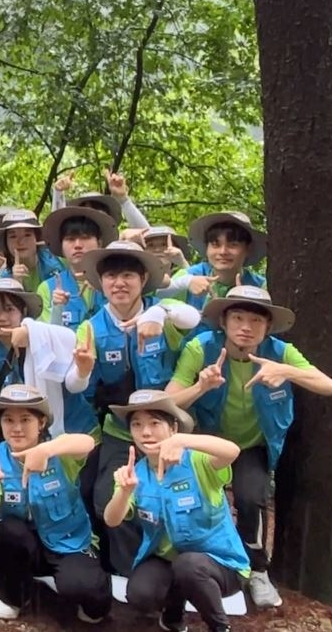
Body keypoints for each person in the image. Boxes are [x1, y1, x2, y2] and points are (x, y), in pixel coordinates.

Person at [165, 285, 332, 608]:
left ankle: (257, 569)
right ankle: (199, 567)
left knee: (250, 498)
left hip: (253, 445)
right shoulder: (200, 348)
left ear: (268, 326)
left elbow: (329, 386)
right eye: (238, 318)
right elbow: (169, 400)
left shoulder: (279, 352)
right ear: (224, 322)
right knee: (197, 501)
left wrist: (286, 371)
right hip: (208, 442)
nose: (246, 327)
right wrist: (201, 387)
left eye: (256, 321)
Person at [74, 240, 201, 575]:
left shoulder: (165, 313)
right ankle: (128, 572)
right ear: (100, 283)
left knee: (178, 496)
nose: (119, 283)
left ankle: (183, 570)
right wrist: (83, 369)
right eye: (111, 275)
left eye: (128, 275)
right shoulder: (90, 328)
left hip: (168, 428)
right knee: (108, 498)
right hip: (119, 430)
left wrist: (158, 313)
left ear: (143, 279)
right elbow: (79, 386)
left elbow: (192, 316)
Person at [104, 390, 249, 632]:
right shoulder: (133, 473)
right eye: (137, 425)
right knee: (140, 592)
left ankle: (219, 626)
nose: (146, 432)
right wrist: (125, 492)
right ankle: (172, 618)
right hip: (169, 562)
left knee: (189, 566)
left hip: (221, 564)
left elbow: (232, 451)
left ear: (173, 428)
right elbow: (111, 519)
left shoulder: (197, 461)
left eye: (154, 423)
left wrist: (184, 441)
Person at [0, 384, 109, 622]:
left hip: (68, 543)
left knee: (85, 589)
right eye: (8, 420)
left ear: (41, 423)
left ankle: (95, 600)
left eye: (25, 419)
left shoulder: (59, 453)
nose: (17, 428)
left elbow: (87, 443)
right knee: (5, 532)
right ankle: (14, 596)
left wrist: (46, 450)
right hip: (27, 548)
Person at [0, 278, 88, 428]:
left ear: (23, 311)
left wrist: (28, 332)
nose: (2, 317)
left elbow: (67, 337)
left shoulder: (42, 337)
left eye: (10, 309)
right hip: (22, 430)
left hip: (72, 426)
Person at [172, 212, 269, 323]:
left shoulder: (259, 287)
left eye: (233, 244)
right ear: (207, 248)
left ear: (247, 249)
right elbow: (159, 304)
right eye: (215, 244)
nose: (223, 252)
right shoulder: (188, 276)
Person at [36, 206, 118, 330]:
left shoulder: (116, 282)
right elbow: (48, 338)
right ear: (61, 245)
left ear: (99, 243)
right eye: (70, 239)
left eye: (85, 238)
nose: (78, 245)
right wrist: (57, 308)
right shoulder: (47, 289)